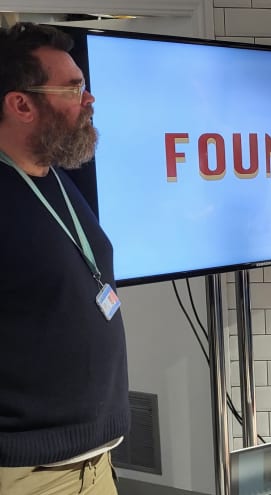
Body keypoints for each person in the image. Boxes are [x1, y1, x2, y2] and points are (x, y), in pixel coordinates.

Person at [0, 22, 128, 494]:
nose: (88, 99)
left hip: (94, 465)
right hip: (25, 475)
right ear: (21, 104)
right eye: (73, 89)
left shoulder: (54, 177)